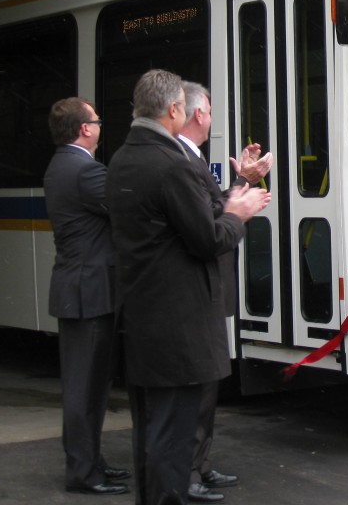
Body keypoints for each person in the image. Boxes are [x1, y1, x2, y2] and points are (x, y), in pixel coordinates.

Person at [107, 70, 271, 505]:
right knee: (173, 436)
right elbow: (208, 239)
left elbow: (186, 220)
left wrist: (238, 191)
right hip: (178, 322)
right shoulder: (171, 164)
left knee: (154, 430)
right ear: (176, 110)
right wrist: (240, 213)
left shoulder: (125, 156)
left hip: (146, 316)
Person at [177, 81, 272, 504]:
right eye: (210, 110)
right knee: (194, 385)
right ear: (198, 114)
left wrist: (240, 181)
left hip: (205, 288)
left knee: (206, 383)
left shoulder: (187, 157)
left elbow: (207, 209)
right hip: (193, 289)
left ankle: (198, 463)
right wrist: (239, 208)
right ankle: (187, 471)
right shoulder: (176, 159)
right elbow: (206, 229)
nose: (211, 117)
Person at [44, 97, 130, 496]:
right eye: (96, 119)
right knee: (84, 389)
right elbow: (127, 208)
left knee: (91, 387)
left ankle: (91, 463)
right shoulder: (84, 170)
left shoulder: (65, 164)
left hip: (84, 288)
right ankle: (83, 472)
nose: (100, 125)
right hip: (88, 291)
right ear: (85, 129)